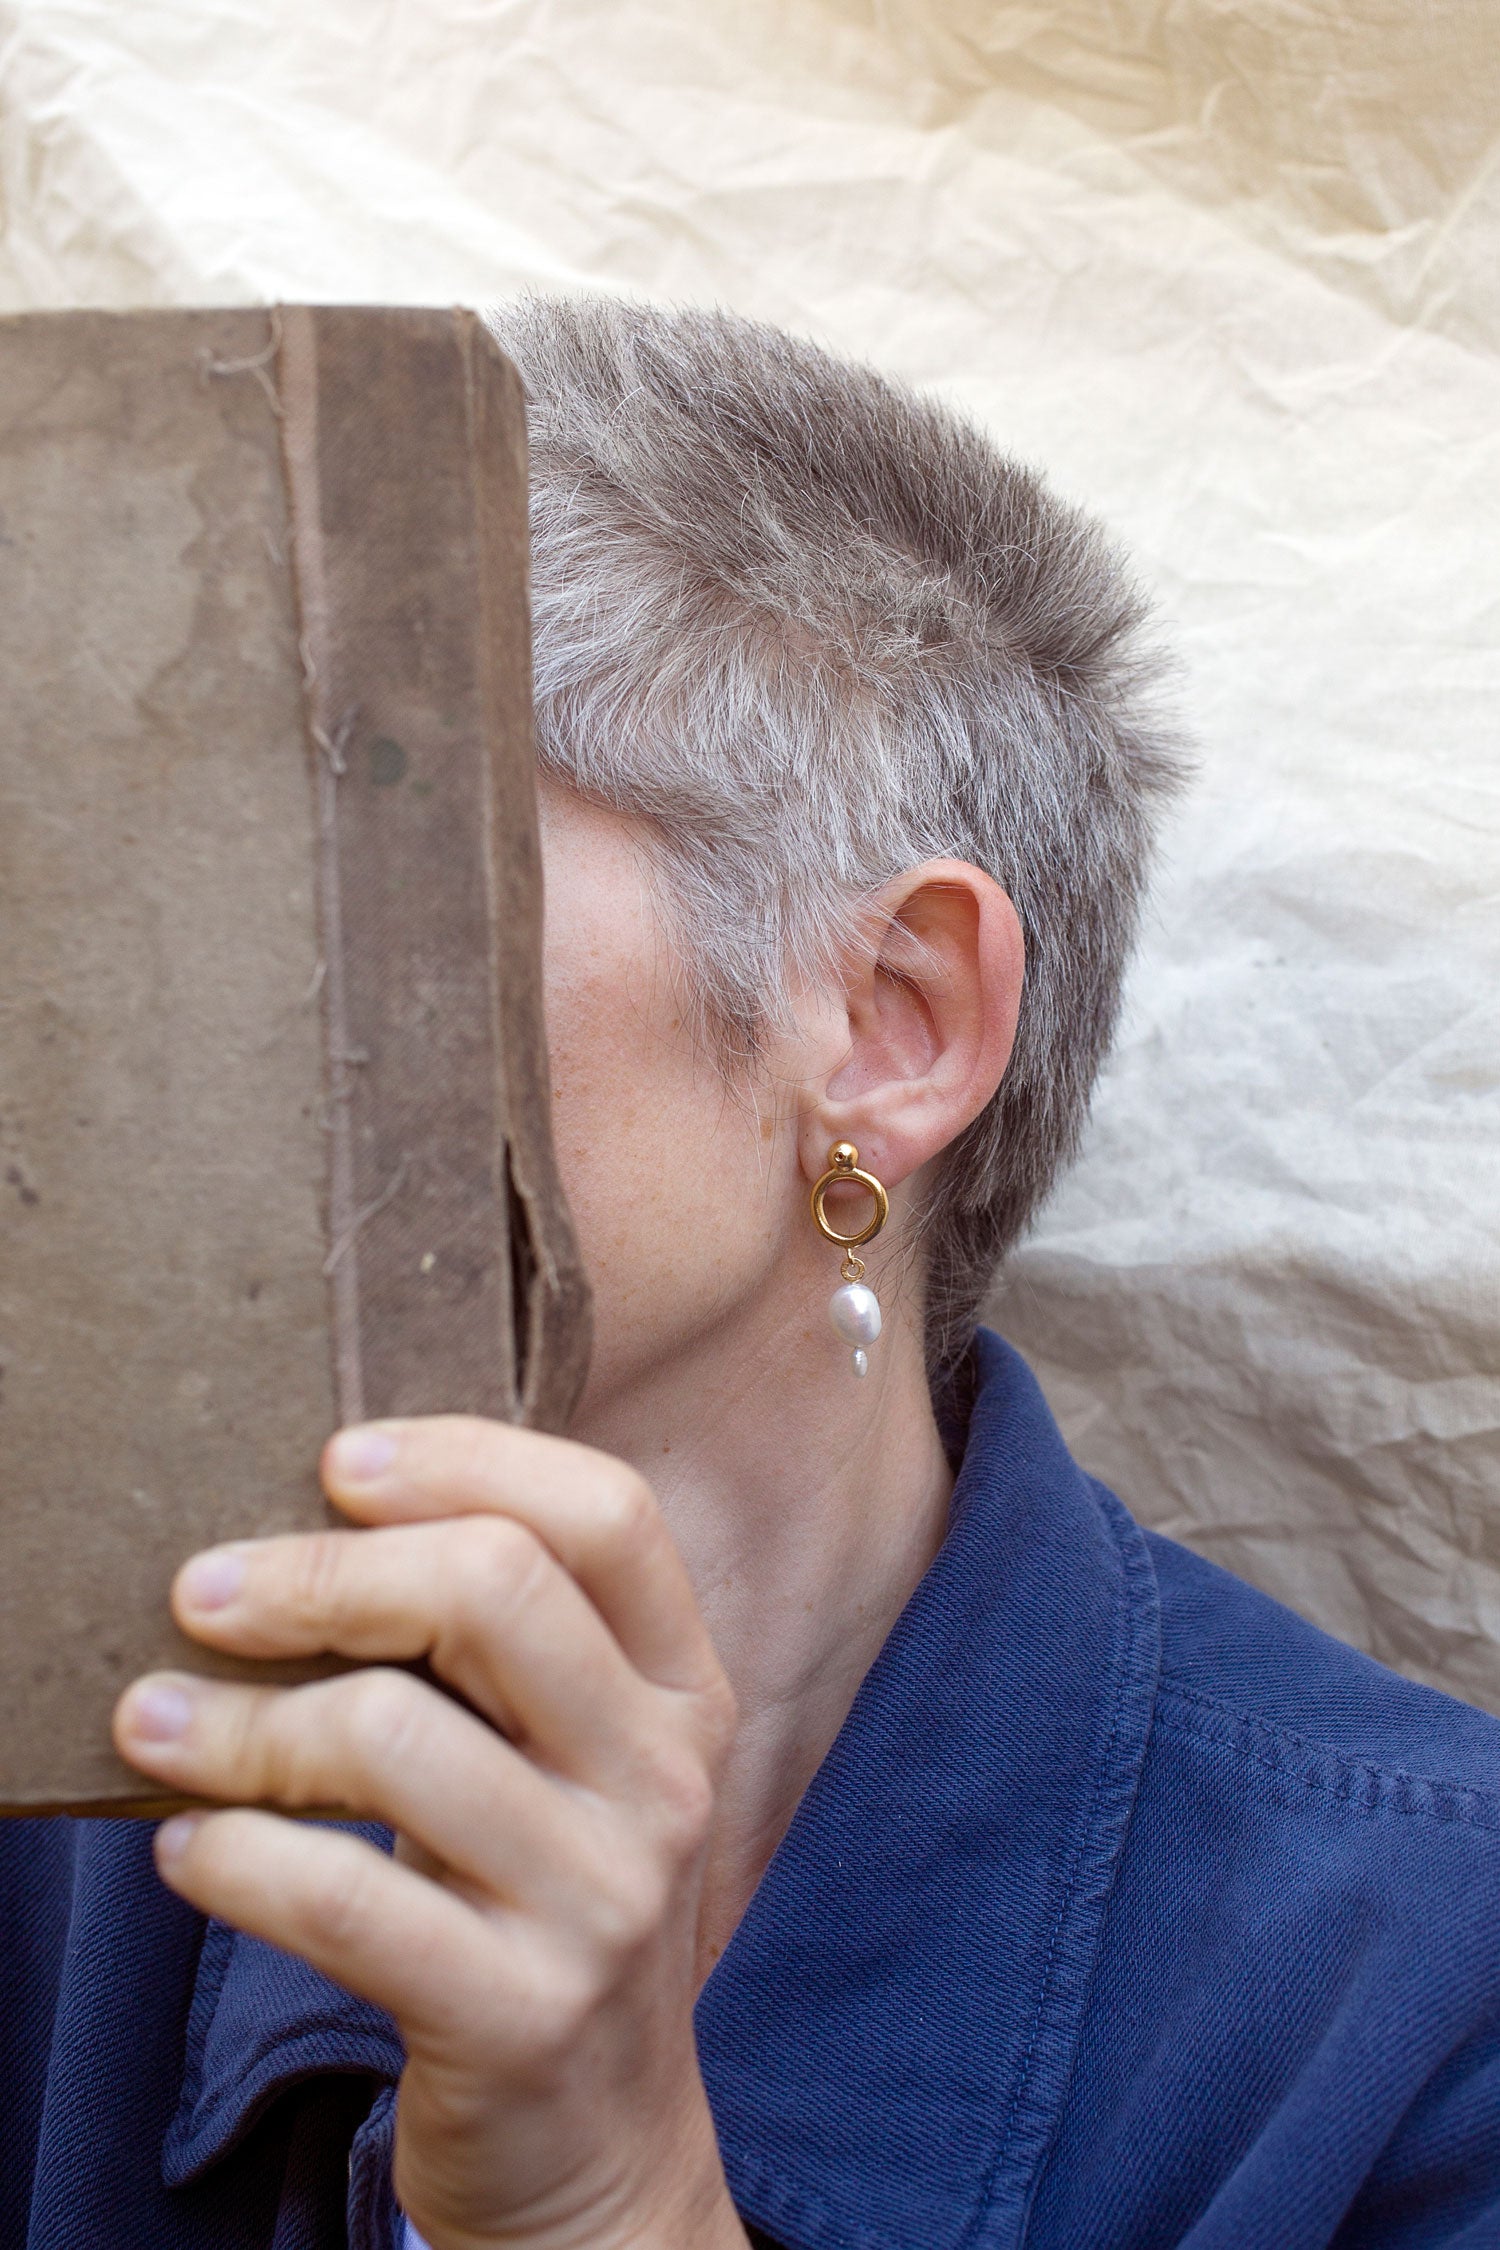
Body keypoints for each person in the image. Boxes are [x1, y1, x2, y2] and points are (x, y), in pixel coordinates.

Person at [5, 297, 1500, 2250]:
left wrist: (619, 2202)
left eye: (369, 824)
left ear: (892, 1021)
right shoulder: (66, 1809)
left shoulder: (1419, 2002)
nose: (175, 981)